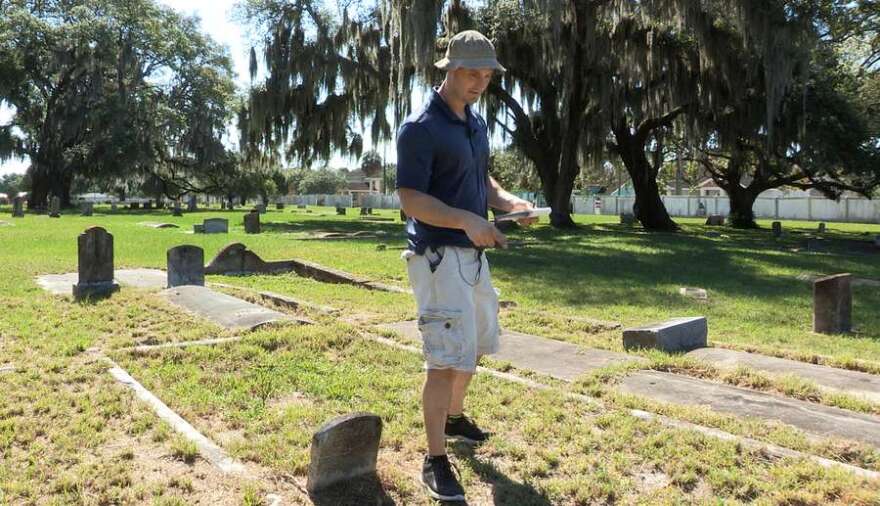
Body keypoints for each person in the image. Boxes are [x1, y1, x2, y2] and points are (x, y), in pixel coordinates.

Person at [395, 30, 536, 502]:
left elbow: (482, 180)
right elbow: (410, 198)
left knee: (475, 345)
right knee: (445, 359)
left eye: (487, 74)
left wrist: (507, 202)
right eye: (472, 72)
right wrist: (464, 220)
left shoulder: (474, 125)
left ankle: (455, 420)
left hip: (474, 256)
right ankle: (434, 459)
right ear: (449, 69)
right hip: (437, 257)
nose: (480, 82)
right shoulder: (420, 127)